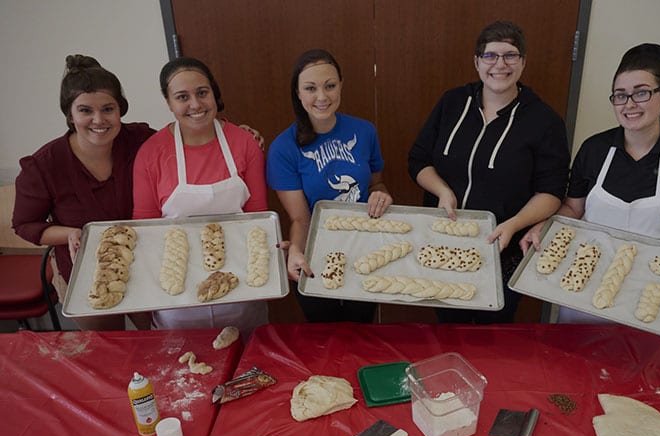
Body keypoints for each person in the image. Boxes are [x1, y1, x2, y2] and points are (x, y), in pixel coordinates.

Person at [520, 43, 660, 321]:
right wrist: (544, 227)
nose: (629, 105)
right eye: (620, 96)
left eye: (641, 93)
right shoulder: (594, 149)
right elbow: (573, 209)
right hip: (588, 281)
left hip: (655, 287)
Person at [408, 20, 571, 324]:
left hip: (503, 251)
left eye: (510, 55)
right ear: (477, 61)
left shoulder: (544, 121)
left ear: (522, 62)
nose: (500, 64)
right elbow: (418, 160)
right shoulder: (453, 102)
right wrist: (442, 190)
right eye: (490, 55)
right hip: (443, 244)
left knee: (491, 337)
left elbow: (551, 192)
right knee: (448, 327)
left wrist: (514, 224)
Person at [12, 54, 154, 331]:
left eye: (108, 109)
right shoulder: (45, 165)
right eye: (86, 110)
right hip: (85, 272)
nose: (98, 120)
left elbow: (187, 139)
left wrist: (231, 131)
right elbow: (25, 225)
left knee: (161, 339)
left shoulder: (140, 140)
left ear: (120, 110)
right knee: (110, 349)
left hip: (145, 262)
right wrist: (71, 233)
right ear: (70, 114)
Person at [133, 56, 269, 331]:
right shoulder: (151, 153)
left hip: (241, 287)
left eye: (202, 93)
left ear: (214, 95)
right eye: (182, 97)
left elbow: (258, 219)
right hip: (177, 292)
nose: (195, 104)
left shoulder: (244, 143)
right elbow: (145, 229)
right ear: (169, 103)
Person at [267, 49, 393, 323]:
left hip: (364, 248)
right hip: (315, 253)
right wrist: (297, 252)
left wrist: (381, 195)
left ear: (341, 86)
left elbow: (376, 184)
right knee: (325, 337)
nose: (322, 97)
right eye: (311, 88)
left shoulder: (364, 131)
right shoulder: (283, 148)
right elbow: (300, 217)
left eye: (330, 86)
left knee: (362, 330)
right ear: (298, 93)